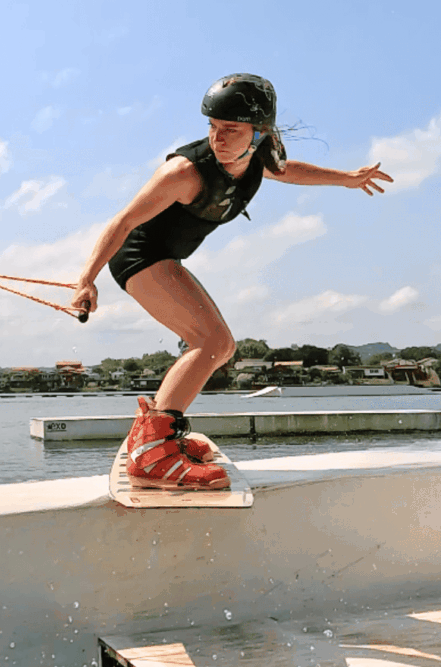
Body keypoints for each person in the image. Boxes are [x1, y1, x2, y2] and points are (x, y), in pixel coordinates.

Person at [70, 73, 392, 490]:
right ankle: (153, 455)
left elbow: (287, 171)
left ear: (259, 133)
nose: (217, 138)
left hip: (167, 258)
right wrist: (86, 280)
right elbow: (124, 220)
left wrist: (346, 178)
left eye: (230, 130)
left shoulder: (258, 158)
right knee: (213, 343)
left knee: (219, 345)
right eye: (213, 128)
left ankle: (153, 438)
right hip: (138, 256)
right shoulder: (183, 172)